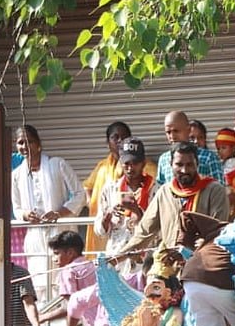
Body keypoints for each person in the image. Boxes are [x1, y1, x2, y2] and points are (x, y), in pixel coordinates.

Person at [9, 125, 86, 288]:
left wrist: (58, 213)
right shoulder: (16, 175)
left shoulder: (57, 165)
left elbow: (80, 194)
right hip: (36, 238)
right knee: (40, 285)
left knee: (66, 283)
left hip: (61, 234)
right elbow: (17, 208)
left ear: (38, 144)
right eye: (20, 142)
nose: (24, 146)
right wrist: (26, 215)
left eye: (29, 141)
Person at [124, 142, 231, 254]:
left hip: (201, 259)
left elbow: (218, 232)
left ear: (197, 164)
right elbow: (144, 232)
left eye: (189, 165)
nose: (184, 170)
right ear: (171, 164)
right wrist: (120, 255)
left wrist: (204, 243)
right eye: (179, 165)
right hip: (169, 260)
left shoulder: (214, 190)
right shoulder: (165, 192)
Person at [93, 137, 155, 279]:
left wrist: (137, 211)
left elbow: (158, 230)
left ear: (144, 163)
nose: (130, 168)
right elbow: (99, 231)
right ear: (120, 163)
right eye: (126, 163)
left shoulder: (156, 189)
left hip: (145, 262)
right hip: (116, 259)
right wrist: (107, 217)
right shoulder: (110, 189)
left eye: (135, 163)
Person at [83, 121, 132, 252]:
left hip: (128, 229)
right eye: (115, 137)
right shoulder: (102, 166)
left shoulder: (143, 166)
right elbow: (87, 186)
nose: (120, 141)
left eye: (124, 137)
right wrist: (92, 203)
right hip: (103, 225)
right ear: (108, 142)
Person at [154, 111, 225, 186]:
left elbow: (219, 188)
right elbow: (160, 189)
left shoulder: (208, 157)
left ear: (188, 130)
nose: (172, 136)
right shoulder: (164, 159)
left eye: (176, 131)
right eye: (168, 132)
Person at [215, 128, 235, 219]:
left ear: (234, 148)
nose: (220, 151)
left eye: (223, 148)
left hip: (231, 199)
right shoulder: (225, 163)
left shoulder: (232, 164)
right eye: (218, 148)